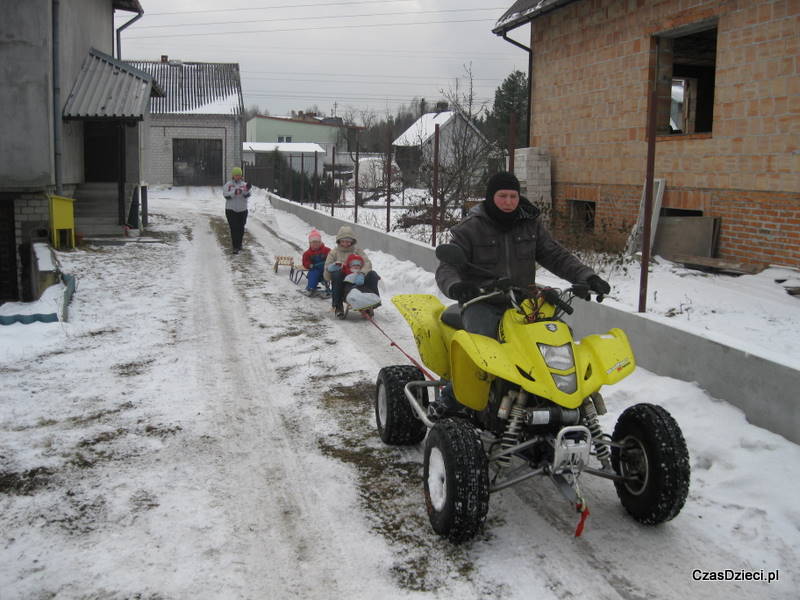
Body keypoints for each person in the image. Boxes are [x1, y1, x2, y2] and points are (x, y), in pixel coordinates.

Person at [433, 171, 610, 414]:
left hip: (525, 304)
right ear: (490, 197)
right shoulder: (470, 228)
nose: (508, 202)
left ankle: (553, 400)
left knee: (559, 341)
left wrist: (587, 277)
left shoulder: (529, 225)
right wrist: (457, 287)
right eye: (502, 196)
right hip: (483, 301)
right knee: (483, 350)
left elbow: (555, 255)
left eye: (513, 196)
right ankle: (452, 397)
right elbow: (448, 266)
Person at [324, 225, 381, 319]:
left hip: (358, 278)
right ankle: (338, 306)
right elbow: (326, 271)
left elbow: (367, 263)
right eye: (343, 241)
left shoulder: (357, 251)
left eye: (348, 241)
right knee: (337, 275)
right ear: (339, 241)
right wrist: (332, 268)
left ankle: (373, 302)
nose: (346, 244)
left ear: (352, 241)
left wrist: (362, 273)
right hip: (343, 282)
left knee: (373, 274)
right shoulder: (334, 253)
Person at [222, 166, 251, 254]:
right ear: (233, 176)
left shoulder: (243, 185)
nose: (238, 177)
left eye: (239, 175)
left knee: (241, 228)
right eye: (236, 175)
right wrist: (234, 193)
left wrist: (246, 190)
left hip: (242, 210)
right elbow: (226, 195)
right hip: (231, 210)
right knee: (234, 228)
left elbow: (248, 195)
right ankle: (235, 247)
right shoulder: (228, 184)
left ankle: (239, 244)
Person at [300, 229, 330, 297]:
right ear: (310, 243)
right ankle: (310, 288)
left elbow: (332, 257)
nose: (315, 244)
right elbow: (305, 262)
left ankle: (329, 289)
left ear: (320, 242)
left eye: (317, 242)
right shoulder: (307, 253)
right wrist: (309, 265)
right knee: (313, 274)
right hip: (315, 268)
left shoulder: (326, 250)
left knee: (331, 274)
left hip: (325, 269)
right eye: (313, 242)